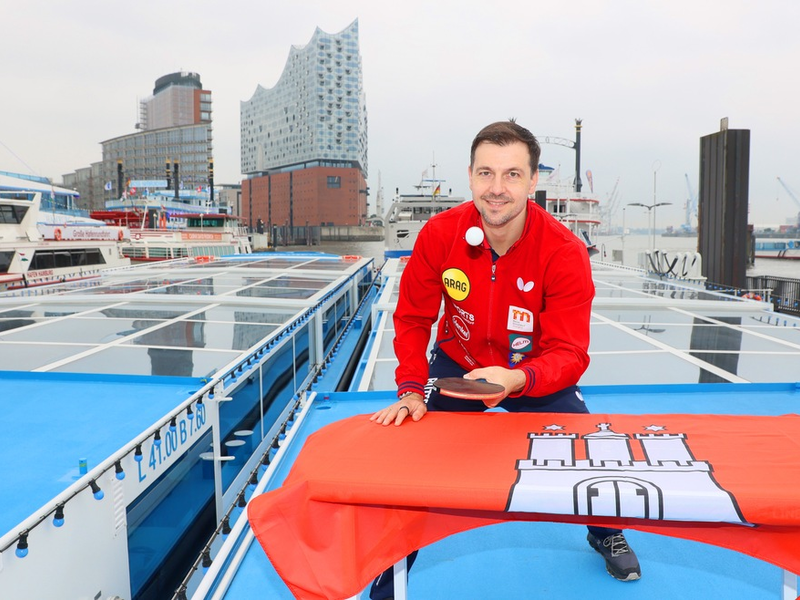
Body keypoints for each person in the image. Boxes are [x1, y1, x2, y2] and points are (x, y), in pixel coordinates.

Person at [368, 120, 640, 599]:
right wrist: (411, 389)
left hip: (535, 372)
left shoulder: (564, 251)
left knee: (584, 451)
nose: (497, 190)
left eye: (512, 175)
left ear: (533, 180)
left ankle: (603, 529)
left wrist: (518, 378)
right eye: (486, 174)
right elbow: (412, 319)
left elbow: (572, 351)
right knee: (418, 456)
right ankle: (397, 560)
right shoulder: (440, 234)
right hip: (459, 369)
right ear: (470, 176)